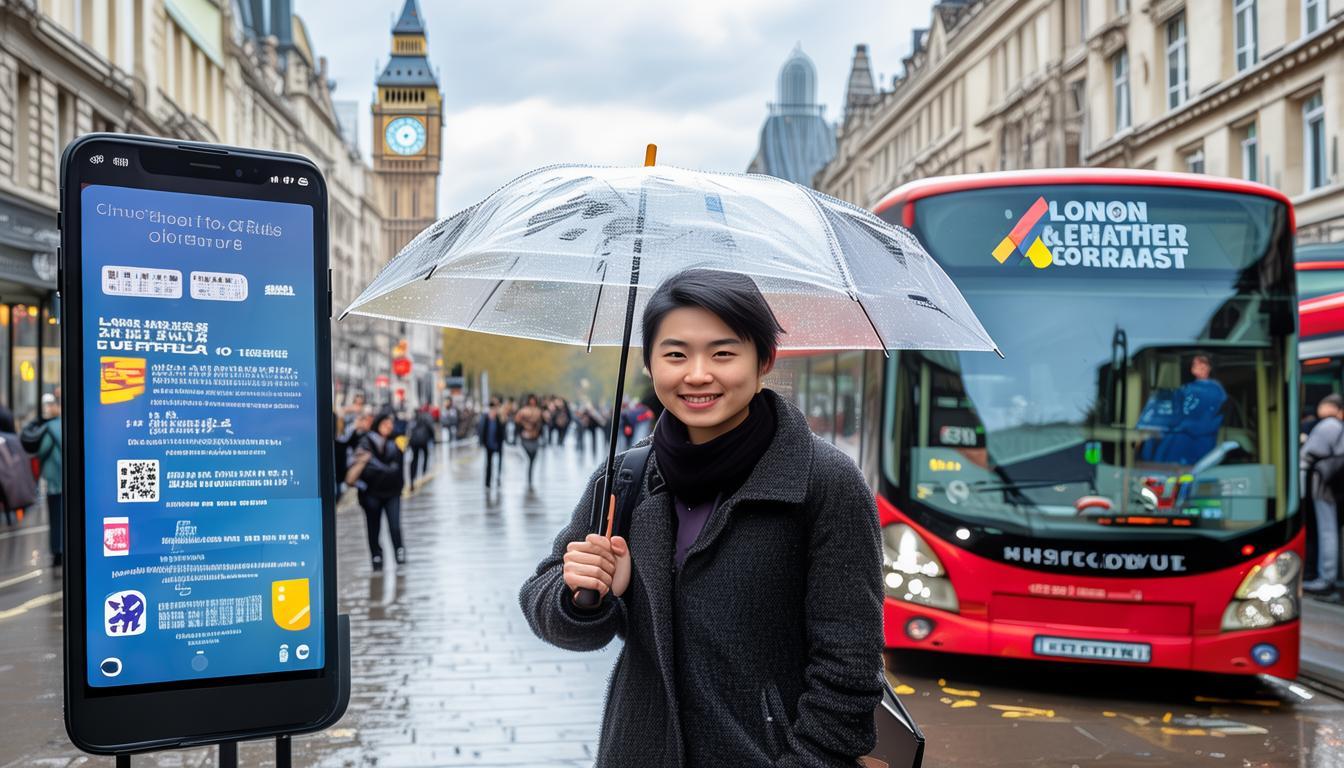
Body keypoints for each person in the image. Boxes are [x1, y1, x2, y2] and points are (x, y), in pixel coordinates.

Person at [519, 268, 883, 766]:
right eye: (675, 354)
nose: (696, 374)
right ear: (649, 365)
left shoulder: (823, 481)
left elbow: (850, 673)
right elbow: (548, 605)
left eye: (723, 353)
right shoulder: (627, 475)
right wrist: (586, 594)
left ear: (764, 361)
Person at [350, 411, 406, 571]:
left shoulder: (396, 443)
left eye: (390, 424)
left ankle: (399, 553)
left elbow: (399, 467)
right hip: (372, 494)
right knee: (373, 527)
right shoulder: (365, 442)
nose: (389, 427)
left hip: (392, 493)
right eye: (385, 424)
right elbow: (362, 468)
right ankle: (376, 557)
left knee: (395, 526)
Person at [1302, 394, 1344, 595]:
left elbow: (1308, 453)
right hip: (1330, 480)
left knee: (1326, 530)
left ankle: (1326, 577)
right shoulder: (1336, 426)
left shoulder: (1329, 425)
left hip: (1322, 480)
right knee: (1328, 529)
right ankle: (1327, 576)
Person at [29, 393, 62, 566]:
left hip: (54, 482)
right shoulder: (71, 424)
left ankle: (57, 551)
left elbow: (42, 450)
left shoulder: (50, 427)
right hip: (66, 482)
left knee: (56, 518)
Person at [515, 394, 545, 488]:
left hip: (535, 437)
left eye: (534, 400)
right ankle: (529, 476)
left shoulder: (539, 411)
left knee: (533, 457)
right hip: (525, 437)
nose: (532, 402)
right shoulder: (523, 411)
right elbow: (517, 422)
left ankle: (530, 476)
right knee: (529, 455)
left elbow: (542, 423)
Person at [479, 398, 506, 488]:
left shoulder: (499, 418)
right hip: (489, 444)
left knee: (499, 462)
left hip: (498, 443)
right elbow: (482, 430)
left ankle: (498, 478)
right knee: (489, 463)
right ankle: (488, 481)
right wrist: (482, 442)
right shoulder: (486, 418)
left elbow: (503, 429)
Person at [407, 406, 436, 488]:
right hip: (423, 441)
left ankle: (413, 477)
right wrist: (433, 439)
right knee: (425, 456)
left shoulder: (413, 420)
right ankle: (423, 472)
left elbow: (408, 431)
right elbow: (431, 429)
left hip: (414, 442)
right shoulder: (425, 417)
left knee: (414, 459)